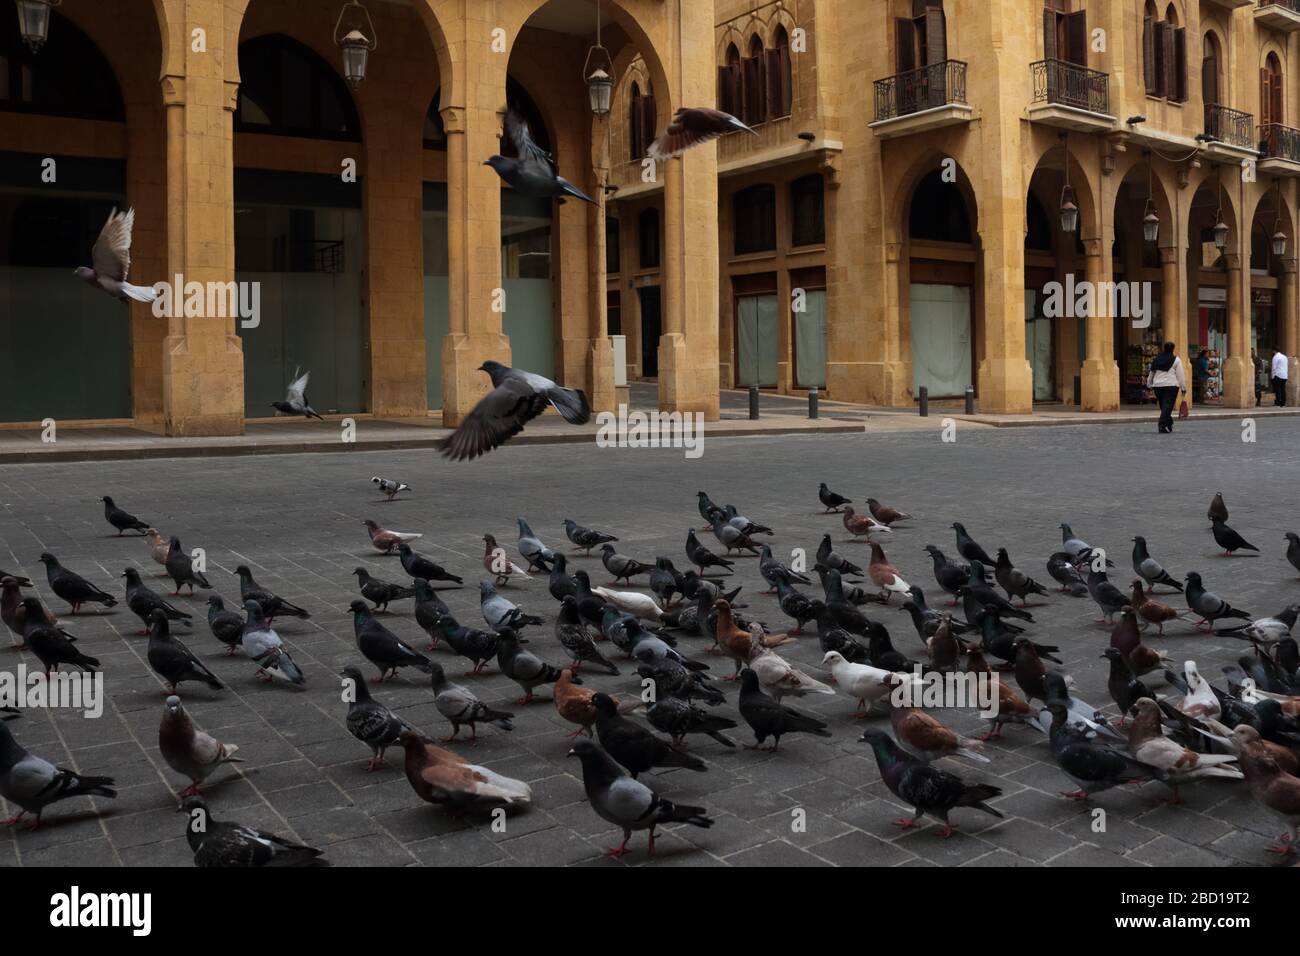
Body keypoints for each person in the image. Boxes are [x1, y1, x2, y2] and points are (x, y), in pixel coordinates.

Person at [1146, 341, 1185, 434]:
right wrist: (1183, 387)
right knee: (1167, 406)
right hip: (1171, 386)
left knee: (1164, 406)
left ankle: (1168, 423)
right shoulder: (1176, 360)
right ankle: (1162, 425)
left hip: (1158, 386)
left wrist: (1149, 384)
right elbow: (1180, 375)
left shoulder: (1157, 359)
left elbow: (1152, 372)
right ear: (1173, 349)